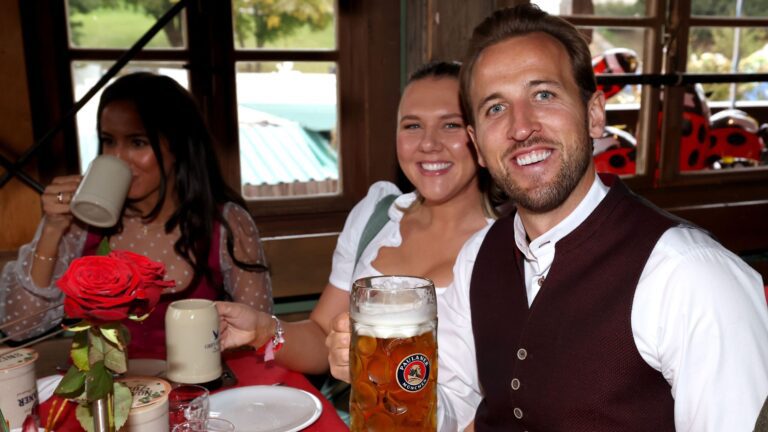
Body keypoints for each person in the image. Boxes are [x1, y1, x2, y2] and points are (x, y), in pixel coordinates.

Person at [439, 4, 768, 431]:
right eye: (496, 109)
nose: (521, 127)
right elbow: (452, 404)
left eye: (543, 95)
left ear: (594, 114)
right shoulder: (476, 257)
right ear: (478, 145)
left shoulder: (691, 277)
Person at [215, 61, 498, 429]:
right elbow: (322, 336)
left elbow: (510, 406)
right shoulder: (377, 217)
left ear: (480, 135)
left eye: (451, 125)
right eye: (412, 125)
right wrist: (263, 330)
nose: (429, 143)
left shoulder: (511, 251)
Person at [0, 72, 271, 356]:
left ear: (177, 146)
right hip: (104, 384)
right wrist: (52, 229)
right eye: (108, 141)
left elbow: (258, 335)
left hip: (197, 381)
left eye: (137, 143)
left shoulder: (226, 224)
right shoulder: (80, 224)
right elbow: (20, 329)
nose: (118, 157)